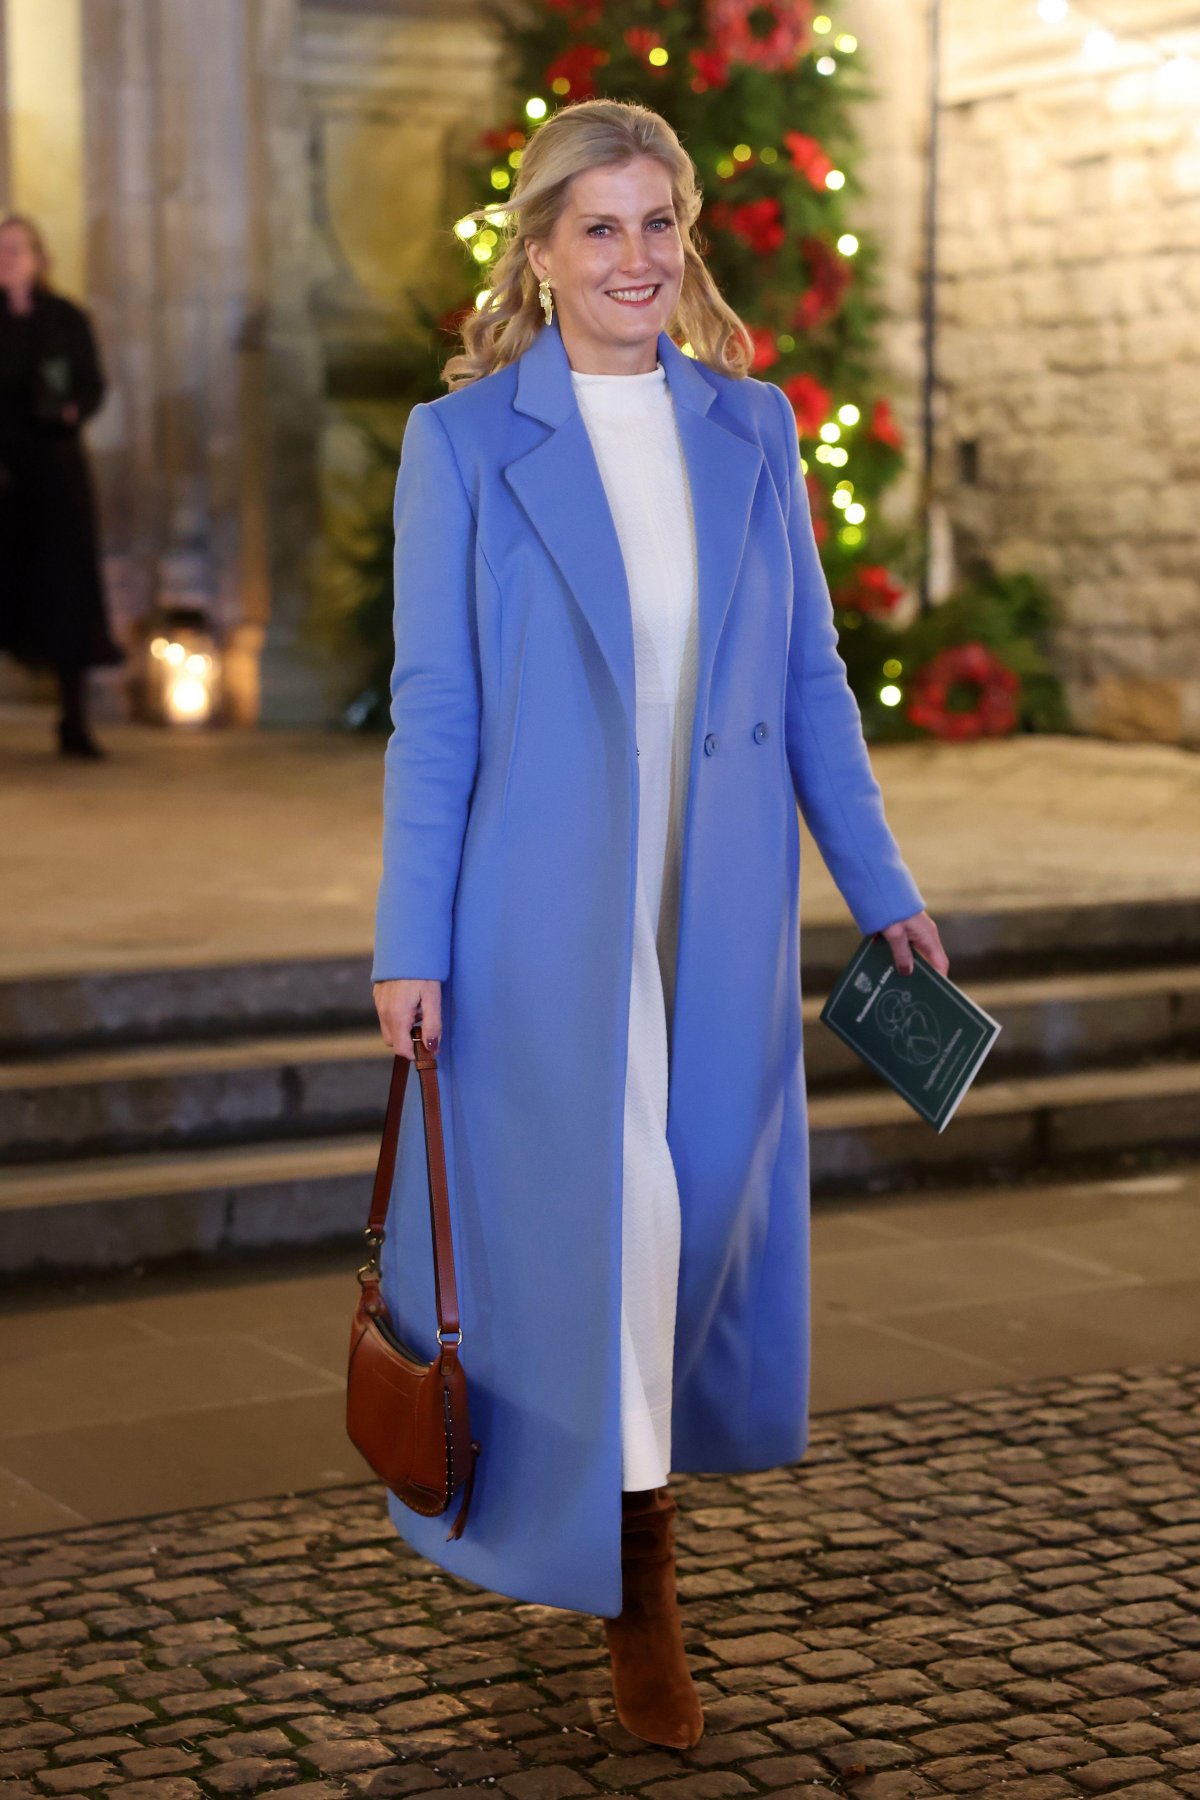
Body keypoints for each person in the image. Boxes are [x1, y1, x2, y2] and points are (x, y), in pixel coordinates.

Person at [370, 98, 948, 1750]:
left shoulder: (753, 428)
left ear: (685, 237)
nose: (635, 257)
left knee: (682, 1232)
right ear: (541, 252)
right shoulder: (465, 445)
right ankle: (640, 1582)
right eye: (599, 226)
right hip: (541, 925)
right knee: (610, 1233)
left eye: (657, 223)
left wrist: (884, 888)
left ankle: (632, 1531)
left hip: (722, 908)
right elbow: (436, 714)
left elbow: (813, 689)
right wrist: (410, 940)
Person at [0, 214, 123, 758]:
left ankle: (74, 722)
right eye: (1, 251)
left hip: (54, 475)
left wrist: (75, 408)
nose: (8, 259)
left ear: (40, 258)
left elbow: (92, 382)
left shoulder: (66, 318)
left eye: (17, 250)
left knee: (65, 595)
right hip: (2, 476)